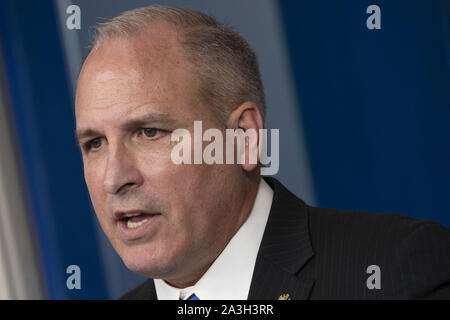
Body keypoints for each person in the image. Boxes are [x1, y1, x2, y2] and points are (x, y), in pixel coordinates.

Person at [74, 5, 450, 300]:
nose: (114, 177)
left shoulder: (395, 272)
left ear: (244, 138)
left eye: (149, 132)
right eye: (94, 143)